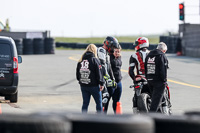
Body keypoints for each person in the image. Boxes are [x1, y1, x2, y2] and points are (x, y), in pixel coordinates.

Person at [76, 44, 105, 113]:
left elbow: (77, 74)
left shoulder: (80, 60)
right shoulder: (94, 60)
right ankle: (99, 118)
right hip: (93, 85)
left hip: (83, 85)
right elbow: (99, 73)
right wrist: (102, 83)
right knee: (98, 103)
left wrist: (81, 81)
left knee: (85, 103)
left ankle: (83, 118)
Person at [144, 42, 169, 114]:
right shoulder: (161, 55)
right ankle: (150, 118)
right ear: (163, 50)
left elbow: (145, 67)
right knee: (155, 103)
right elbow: (163, 69)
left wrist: (147, 78)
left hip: (149, 80)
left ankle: (159, 117)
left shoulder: (149, 55)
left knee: (156, 100)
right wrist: (164, 80)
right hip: (158, 82)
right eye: (165, 52)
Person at [97, 36, 119, 113]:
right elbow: (102, 66)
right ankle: (99, 115)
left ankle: (102, 115)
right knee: (104, 97)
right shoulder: (101, 50)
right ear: (108, 44)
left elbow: (109, 68)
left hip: (106, 80)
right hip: (100, 80)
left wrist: (113, 79)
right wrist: (107, 79)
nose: (113, 48)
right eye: (113, 46)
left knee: (106, 99)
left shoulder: (107, 54)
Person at [128, 37, 150, 111]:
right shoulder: (152, 54)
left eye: (137, 43)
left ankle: (135, 112)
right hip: (151, 78)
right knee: (158, 95)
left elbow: (130, 71)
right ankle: (164, 109)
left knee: (136, 98)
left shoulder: (134, 55)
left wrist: (134, 79)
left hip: (139, 78)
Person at [110, 45, 122, 113]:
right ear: (112, 51)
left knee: (117, 101)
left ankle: (116, 115)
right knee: (107, 100)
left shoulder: (119, 57)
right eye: (116, 51)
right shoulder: (109, 58)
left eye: (118, 51)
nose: (117, 53)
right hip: (111, 82)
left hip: (118, 81)